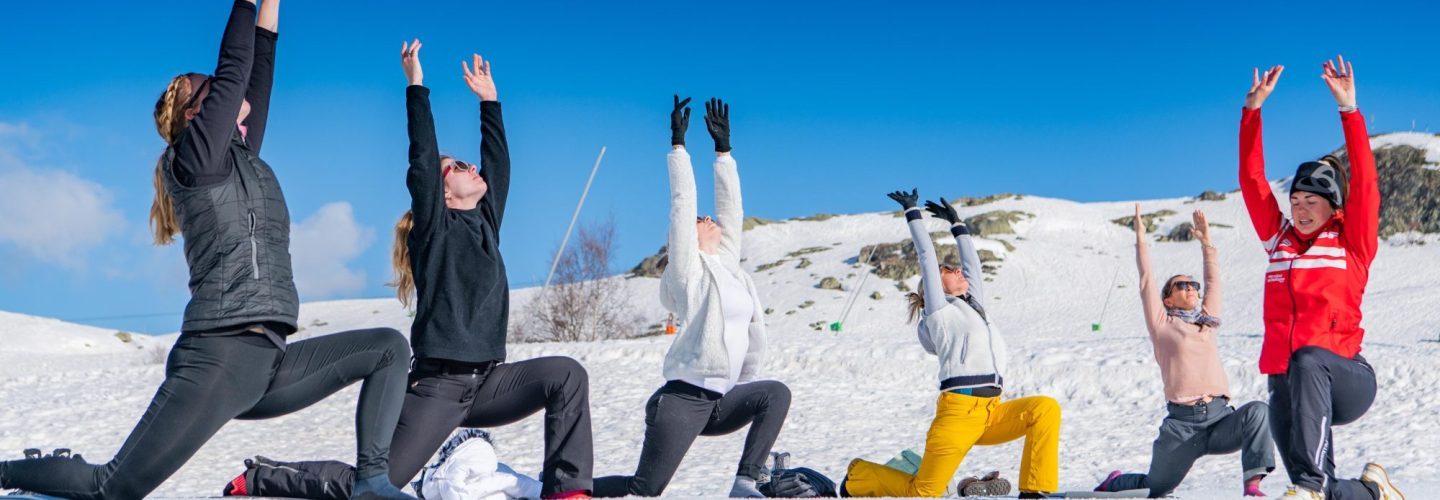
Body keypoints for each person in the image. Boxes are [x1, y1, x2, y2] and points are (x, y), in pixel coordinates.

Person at [0, 2, 414, 499]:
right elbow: (238, 65)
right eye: (215, 88)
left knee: (388, 347)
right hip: (218, 359)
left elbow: (258, 72)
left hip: (269, 360)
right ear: (196, 114)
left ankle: (371, 483)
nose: (231, 90)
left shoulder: (242, 159)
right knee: (111, 488)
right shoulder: (196, 158)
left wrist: (271, 8)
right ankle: (10, 473)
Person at [220, 40, 594, 500]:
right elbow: (422, 160)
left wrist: (490, 102)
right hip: (438, 388)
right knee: (378, 485)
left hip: (490, 381)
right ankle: (266, 476)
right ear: (444, 193)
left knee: (567, 374)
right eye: (457, 166)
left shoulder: (485, 225)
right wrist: (416, 86)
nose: (471, 167)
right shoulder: (435, 229)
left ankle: (567, 492)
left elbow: (499, 167)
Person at [591, 97, 791, 498]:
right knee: (645, 490)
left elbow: (731, 210)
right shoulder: (688, 273)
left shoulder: (729, 266)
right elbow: (682, 207)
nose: (708, 219)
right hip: (682, 401)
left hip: (723, 398)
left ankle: (746, 481)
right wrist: (679, 148)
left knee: (776, 393)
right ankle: (563, 490)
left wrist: (724, 153)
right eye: (702, 222)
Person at [1239, 56, 1403, 500]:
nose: (1301, 207)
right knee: (1317, 489)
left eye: (1313, 200)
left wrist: (1349, 111)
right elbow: (1252, 180)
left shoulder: (1352, 243)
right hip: (1287, 384)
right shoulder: (1278, 241)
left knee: (1309, 360)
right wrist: (1252, 112)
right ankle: (1373, 492)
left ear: (1333, 207)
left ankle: (1312, 484)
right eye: (1295, 198)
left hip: (1345, 377)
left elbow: (1366, 185)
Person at [841, 191, 1060, 498]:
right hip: (957, 414)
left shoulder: (974, 306)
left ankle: (1034, 492)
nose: (958, 270)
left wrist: (958, 225)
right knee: (925, 493)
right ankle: (859, 476)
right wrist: (912, 213)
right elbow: (927, 258)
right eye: (950, 270)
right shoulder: (939, 313)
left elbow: (974, 268)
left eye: (956, 268)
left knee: (1044, 409)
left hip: (991, 412)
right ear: (933, 288)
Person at [1093, 206, 1274, 497]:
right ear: (1167, 297)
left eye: (1193, 285)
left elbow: (1214, 282)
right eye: (1182, 285)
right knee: (1156, 488)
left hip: (1219, 420)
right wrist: (1141, 238)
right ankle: (1115, 482)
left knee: (1258, 413)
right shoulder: (1162, 323)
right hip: (1181, 427)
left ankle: (1252, 486)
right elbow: (1147, 279)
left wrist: (1206, 243)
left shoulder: (1208, 322)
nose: (1191, 288)